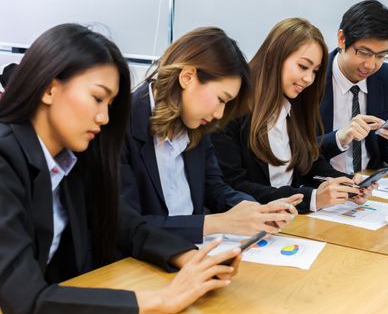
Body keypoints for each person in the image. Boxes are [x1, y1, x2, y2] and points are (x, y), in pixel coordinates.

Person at [0, 23, 241, 314]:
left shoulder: (70, 158)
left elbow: (125, 224)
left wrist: (189, 257)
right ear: (49, 88)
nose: (104, 118)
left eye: (110, 104)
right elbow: (26, 302)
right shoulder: (5, 158)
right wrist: (162, 300)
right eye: (97, 98)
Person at [121, 27, 299, 243]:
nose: (219, 114)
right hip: (139, 264)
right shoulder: (121, 125)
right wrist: (218, 223)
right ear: (188, 77)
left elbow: (214, 187)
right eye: (221, 99)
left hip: (194, 252)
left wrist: (252, 209)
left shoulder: (195, 123)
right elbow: (126, 225)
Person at [212, 18, 375, 214]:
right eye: (303, 67)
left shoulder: (298, 105)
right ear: (275, 56)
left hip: (294, 221)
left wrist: (347, 184)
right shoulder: (231, 109)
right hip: (255, 222)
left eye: (315, 71)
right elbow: (234, 186)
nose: (309, 79)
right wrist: (311, 198)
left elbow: (309, 164)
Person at [319, 0, 388, 173]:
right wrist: (339, 138)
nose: (370, 65)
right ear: (342, 39)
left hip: (369, 184)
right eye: (364, 53)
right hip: (320, 185)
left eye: (380, 55)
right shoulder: (312, 77)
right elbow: (295, 152)